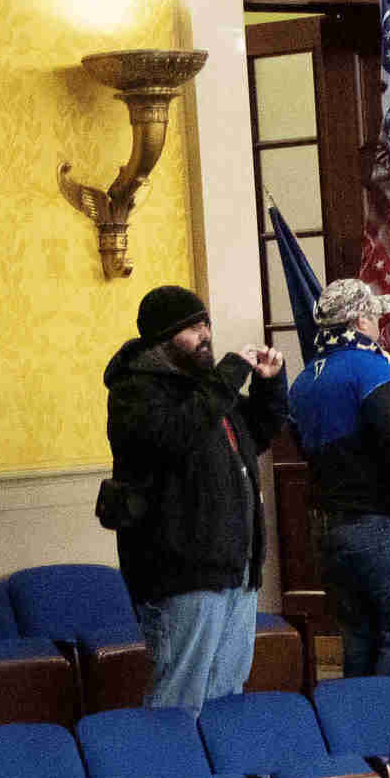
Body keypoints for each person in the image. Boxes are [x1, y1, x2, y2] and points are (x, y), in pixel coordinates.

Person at [99, 286, 287, 710]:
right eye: (191, 328)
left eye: (206, 324)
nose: (204, 334)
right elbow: (177, 435)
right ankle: (166, 776)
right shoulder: (136, 391)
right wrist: (231, 373)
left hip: (234, 568)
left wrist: (269, 387)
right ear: (163, 339)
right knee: (179, 700)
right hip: (181, 572)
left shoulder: (205, 389)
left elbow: (256, 432)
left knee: (226, 693)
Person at [285, 279, 390, 683]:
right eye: (374, 316)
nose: (378, 325)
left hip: (331, 532)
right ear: (360, 320)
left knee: (358, 641)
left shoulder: (303, 382)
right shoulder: (371, 368)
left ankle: (361, 736)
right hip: (383, 527)